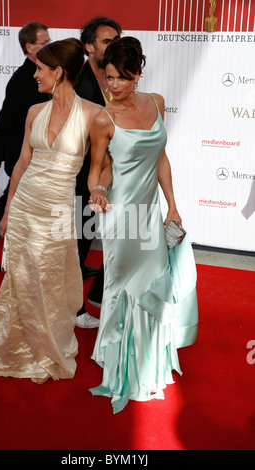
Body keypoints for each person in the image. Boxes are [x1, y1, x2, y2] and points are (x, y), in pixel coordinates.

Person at [0, 38, 101, 384]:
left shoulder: (93, 114)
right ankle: (18, 343)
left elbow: (101, 166)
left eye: (41, 68)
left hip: (59, 210)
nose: (34, 74)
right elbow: (23, 162)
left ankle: (48, 343)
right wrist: (8, 210)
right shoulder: (34, 112)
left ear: (59, 72)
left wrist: (99, 188)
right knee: (22, 278)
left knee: (51, 279)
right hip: (26, 204)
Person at [87, 37, 198, 413]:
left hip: (150, 212)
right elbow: (97, 169)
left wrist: (173, 207)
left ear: (138, 74)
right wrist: (99, 191)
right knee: (122, 285)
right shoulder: (104, 119)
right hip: (121, 216)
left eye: (120, 78)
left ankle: (150, 358)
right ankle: (119, 360)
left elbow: (161, 157)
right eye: (108, 78)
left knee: (153, 280)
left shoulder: (157, 103)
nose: (112, 86)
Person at [0, 22, 51, 270]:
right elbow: (4, 121)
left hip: (38, 151)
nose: (50, 46)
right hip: (20, 153)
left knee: (15, 202)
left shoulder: (44, 72)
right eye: (45, 43)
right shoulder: (23, 79)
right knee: (11, 202)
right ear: (30, 47)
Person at [74, 16, 122, 329]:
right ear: (89, 47)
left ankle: (86, 300)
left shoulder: (112, 79)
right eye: (107, 41)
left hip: (103, 177)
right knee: (75, 244)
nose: (113, 45)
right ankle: (73, 310)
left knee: (88, 239)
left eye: (117, 39)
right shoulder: (77, 80)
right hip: (77, 178)